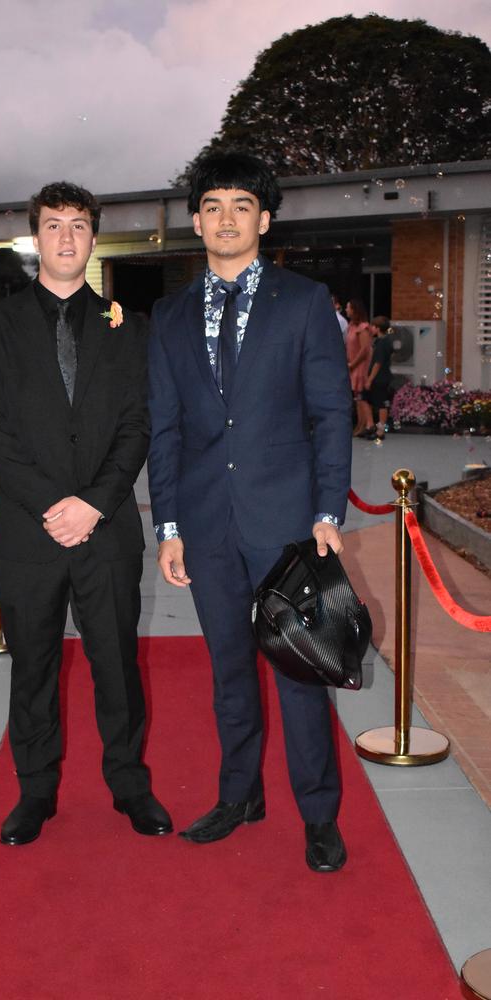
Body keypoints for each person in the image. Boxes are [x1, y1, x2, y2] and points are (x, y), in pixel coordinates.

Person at [147, 152, 352, 871]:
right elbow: (164, 427)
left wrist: (330, 509)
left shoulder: (303, 301)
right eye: (212, 205)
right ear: (197, 220)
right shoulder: (168, 317)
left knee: (300, 673)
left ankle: (319, 815)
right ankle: (240, 795)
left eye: (241, 205)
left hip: (287, 519)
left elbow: (331, 413)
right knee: (228, 669)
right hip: (206, 525)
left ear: (264, 219)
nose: (226, 217)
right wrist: (167, 526)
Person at [0, 181, 172, 847]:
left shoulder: (126, 327)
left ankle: (130, 785)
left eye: (78, 225)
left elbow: (138, 425)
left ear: (92, 237)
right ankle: (36, 789)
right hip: (29, 532)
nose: (65, 237)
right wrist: (54, 506)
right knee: (34, 667)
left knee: (115, 663)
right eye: (53, 225)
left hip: (106, 531)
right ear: (36, 237)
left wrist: (96, 503)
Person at [362, 315, 394, 442]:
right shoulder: (380, 341)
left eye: (373, 326)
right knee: (365, 398)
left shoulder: (383, 343)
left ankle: (381, 430)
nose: (371, 328)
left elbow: (378, 363)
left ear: (377, 328)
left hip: (380, 378)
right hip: (379, 377)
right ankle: (371, 425)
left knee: (381, 403)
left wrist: (370, 379)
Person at [345, 299, 372, 437]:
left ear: (354, 310)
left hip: (360, 366)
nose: (346, 310)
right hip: (352, 365)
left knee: (361, 396)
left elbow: (365, 349)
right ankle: (359, 425)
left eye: (348, 307)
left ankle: (365, 425)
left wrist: (353, 364)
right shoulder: (351, 326)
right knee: (356, 397)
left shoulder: (363, 327)